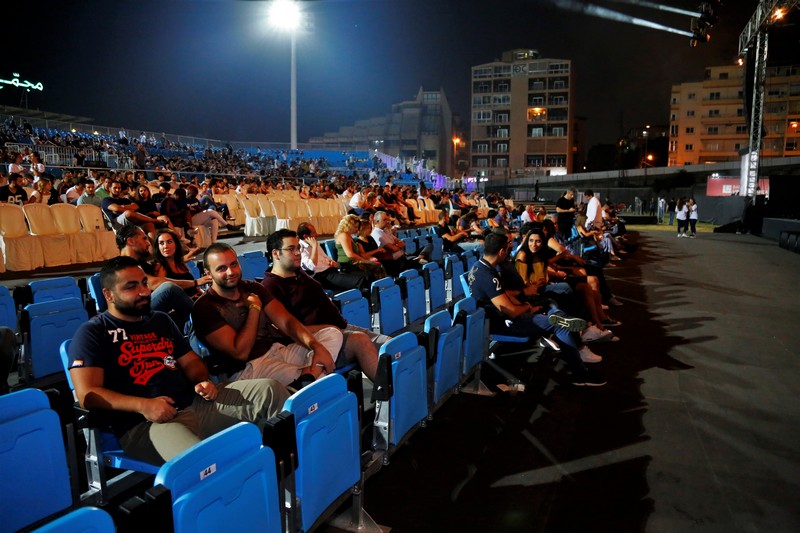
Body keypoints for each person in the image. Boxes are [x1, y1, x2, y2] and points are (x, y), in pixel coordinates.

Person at [66, 256, 289, 465]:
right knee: (204, 461)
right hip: (147, 424)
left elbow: (191, 362)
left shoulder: (160, 321)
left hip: (195, 404)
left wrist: (203, 380)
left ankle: (284, 471)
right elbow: (88, 395)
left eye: (144, 283)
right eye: (131, 287)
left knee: (270, 391)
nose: (144, 292)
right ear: (108, 295)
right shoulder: (93, 333)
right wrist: (143, 405)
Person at [191, 243, 343, 388]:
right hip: (248, 369)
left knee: (332, 333)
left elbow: (287, 322)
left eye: (233, 264)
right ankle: (309, 378)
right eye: (221, 268)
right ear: (208, 273)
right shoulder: (205, 307)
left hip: (276, 351)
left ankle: (309, 375)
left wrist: (316, 346)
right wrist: (254, 308)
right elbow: (240, 353)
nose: (230, 272)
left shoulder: (252, 287)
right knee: (322, 384)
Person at [466, 232, 606, 386]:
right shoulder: (488, 276)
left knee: (556, 316)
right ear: (501, 251)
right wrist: (526, 307)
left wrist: (527, 307)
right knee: (559, 324)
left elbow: (503, 297)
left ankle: (575, 350)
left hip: (498, 318)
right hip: (500, 323)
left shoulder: (479, 267)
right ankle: (580, 374)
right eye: (507, 249)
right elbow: (510, 310)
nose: (508, 252)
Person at [262, 229, 383, 380]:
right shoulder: (271, 285)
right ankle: (388, 396)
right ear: (275, 254)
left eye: (298, 247)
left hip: (341, 328)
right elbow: (286, 330)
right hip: (320, 340)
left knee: (392, 345)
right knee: (362, 341)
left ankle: (402, 393)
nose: (298, 252)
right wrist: (329, 329)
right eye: (291, 249)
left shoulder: (299, 273)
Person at [117, 225, 196, 332]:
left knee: (189, 322)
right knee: (169, 288)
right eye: (144, 238)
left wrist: (178, 260)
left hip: (151, 310)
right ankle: (202, 313)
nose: (149, 243)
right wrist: (196, 282)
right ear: (131, 241)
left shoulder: (141, 264)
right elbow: (154, 283)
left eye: (169, 242)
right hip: (134, 313)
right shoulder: (122, 265)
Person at [296, 222, 370, 293]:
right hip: (322, 276)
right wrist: (314, 247)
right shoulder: (301, 249)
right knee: (360, 281)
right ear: (305, 236)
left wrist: (332, 262)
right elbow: (311, 266)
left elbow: (325, 256)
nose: (316, 234)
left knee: (366, 275)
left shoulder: (315, 242)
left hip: (331, 270)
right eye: (314, 233)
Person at [152, 228, 207, 298]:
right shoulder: (160, 266)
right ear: (158, 247)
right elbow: (163, 295)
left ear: (176, 244)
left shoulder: (182, 263)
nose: (165, 246)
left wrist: (205, 296)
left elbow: (197, 288)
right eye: (161, 243)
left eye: (169, 242)